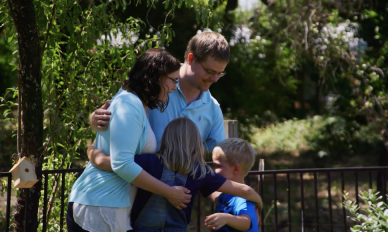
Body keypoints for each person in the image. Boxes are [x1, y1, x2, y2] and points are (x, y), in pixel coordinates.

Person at [67, 48, 192, 232]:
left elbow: (108, 151)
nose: (175, 87)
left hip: (110, 204)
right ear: (157, 77)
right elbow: (122, 164)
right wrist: (169, 192)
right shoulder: (129, 104)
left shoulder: (137, 103)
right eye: (173, 81)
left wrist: (95, 153)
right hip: (102, 205)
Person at [89, 117, 262, 231]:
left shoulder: (149, 162)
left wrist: (90, 149)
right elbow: (244, 191)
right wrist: (259, 203)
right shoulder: (200, 171)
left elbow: (104, 162)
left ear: (166, 139)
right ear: (196, 143)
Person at [89, 31, 229, 151]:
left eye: (220, 73)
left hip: (178, 183)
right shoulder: (152, 81)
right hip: (132, 177)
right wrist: (95, 120)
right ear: (190, 59)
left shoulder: (213, 109)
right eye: (209, 71)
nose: (215, 79)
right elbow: (111, 117)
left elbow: (221, 157)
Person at [205, 138, 259, 232]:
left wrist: (226, 218)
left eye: (218, 166)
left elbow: (246, 222)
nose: (214, 171)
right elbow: (215, 196)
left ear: (236, 169)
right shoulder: (227, 194)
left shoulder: (242, 198)